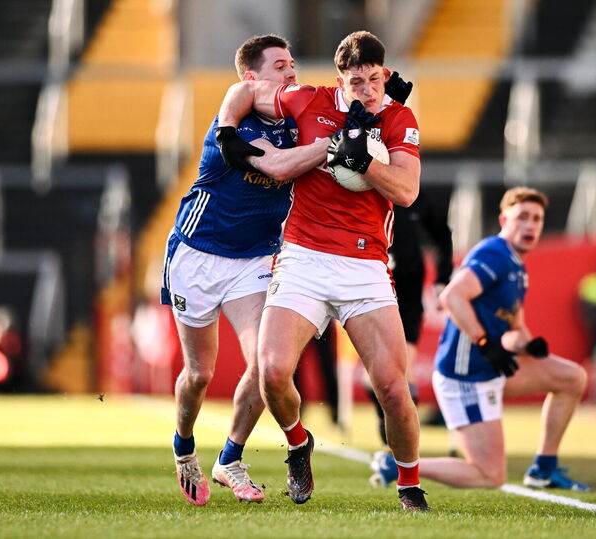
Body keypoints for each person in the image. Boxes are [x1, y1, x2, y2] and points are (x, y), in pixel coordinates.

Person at [216, 30, 428, 510]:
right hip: (304, 255)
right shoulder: (309, 100)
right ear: (340, 80)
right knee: (271, 372)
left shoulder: (399, 117)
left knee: (393, 387)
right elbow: (247, 87)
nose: (367, 90)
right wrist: (228, 127)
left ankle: (410, 485)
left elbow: (407, 190)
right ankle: (298, 443)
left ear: (386, 75)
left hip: (365, 263)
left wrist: (365, 165)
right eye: (356, 81)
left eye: (375, 79)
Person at [162, 34, 334, 506]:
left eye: (293, 64)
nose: (292, 73)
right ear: (252, 78)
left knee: (266, 365)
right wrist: (332, 146)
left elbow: (334, 112)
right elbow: (278, 168)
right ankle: (184, 447)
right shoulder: (230, 128)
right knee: (199, 373)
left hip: (255, 259)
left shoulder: (298, 122)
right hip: (197, 254)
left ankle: (231, 459)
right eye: (280, 66)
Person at [370, 187, 590, 491]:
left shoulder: (515, 264)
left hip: (489, 368)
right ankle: (397, 465)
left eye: (537, 219)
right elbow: (453, 296)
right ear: (503, 219)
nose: (530, 225)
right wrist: (486, 344)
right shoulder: (494, 253)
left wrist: (526, 345)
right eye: (522, 217)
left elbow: (515, 330)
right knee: (490, 476)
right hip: (466, 377)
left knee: (572, 378)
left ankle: (544, 469)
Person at [366, 190, 453, 446]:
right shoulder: (362, 188)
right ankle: (387, 418)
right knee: (375, 374)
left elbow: (442, 235)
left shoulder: (414, 194)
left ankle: (402, 439)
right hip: (368, 285)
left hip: (408, 290)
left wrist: (442, 278)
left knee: (401, 368)